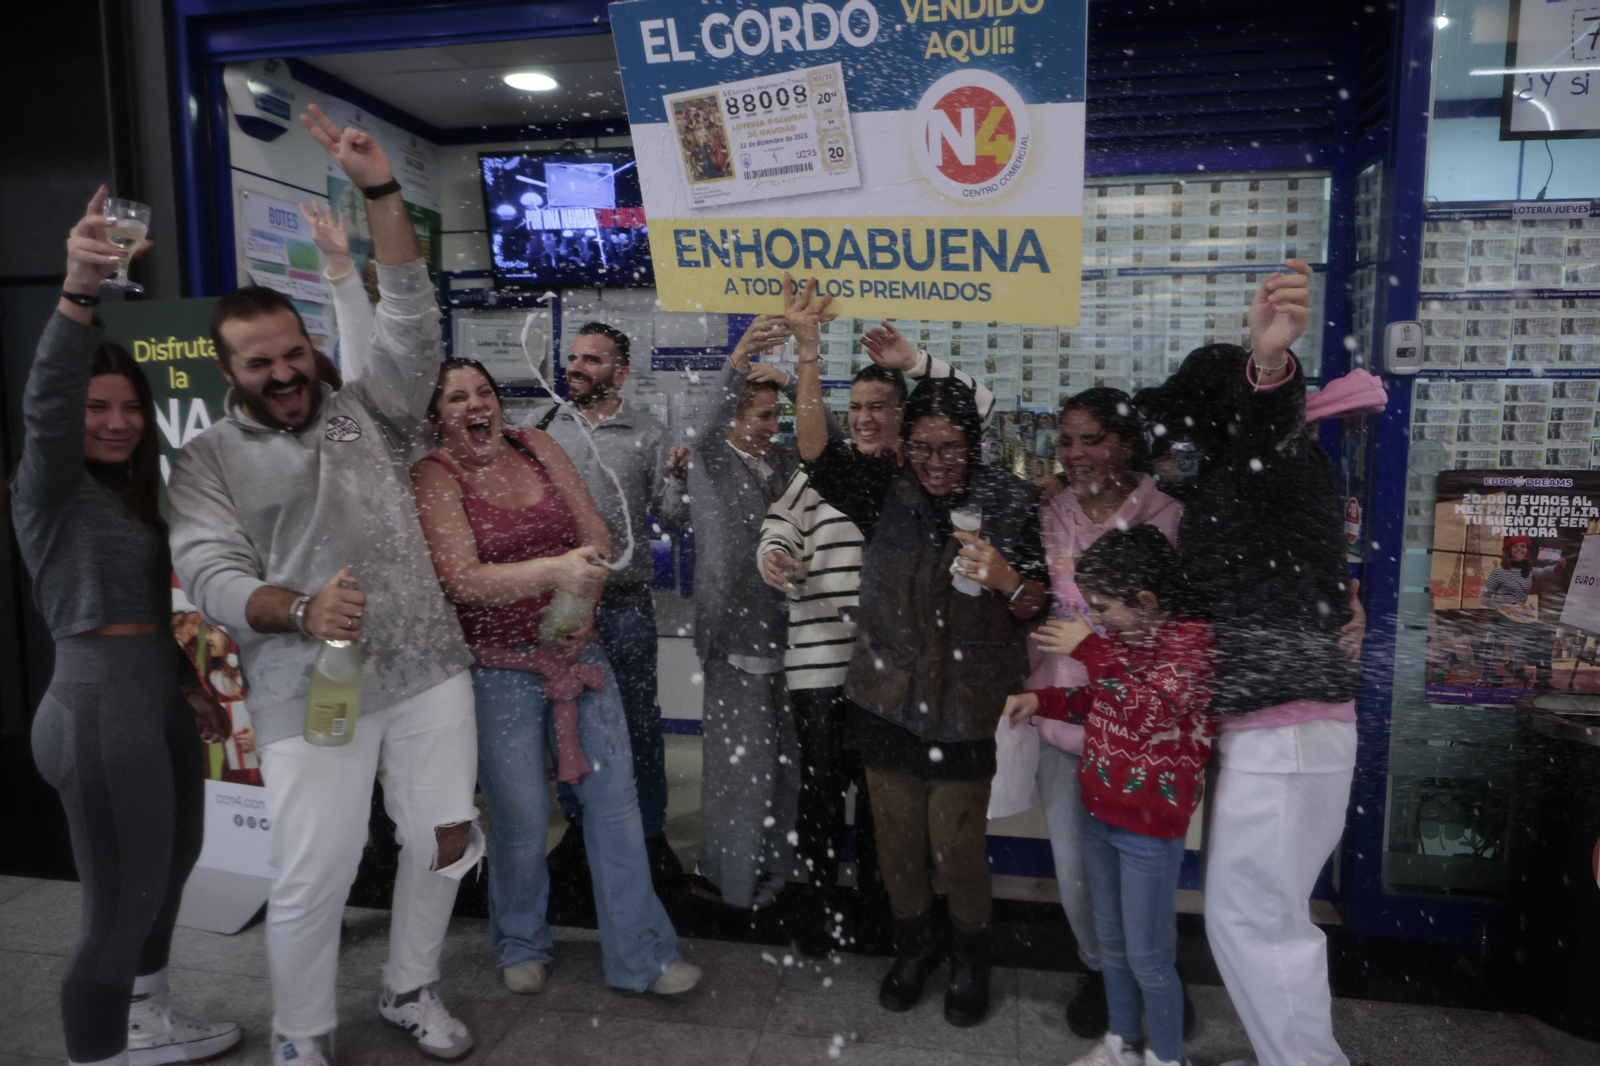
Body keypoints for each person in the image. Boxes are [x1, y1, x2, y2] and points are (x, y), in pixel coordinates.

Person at [169, 107, 482, 1066]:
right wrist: (299, 610)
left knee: (443, 841)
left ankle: (409, 989)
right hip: (320, 685)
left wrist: (383, 191)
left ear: (310, 345)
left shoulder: (369, 413)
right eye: (259, 363)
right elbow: (212, 577)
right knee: (316, 870)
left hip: (427, 665)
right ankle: (303, 1036)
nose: (283, 373)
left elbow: (411, 317)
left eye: (293, 353)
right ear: (228, 369)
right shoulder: (208, 461)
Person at [11, 189, 242, 1066]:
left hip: (152, 697)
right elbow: (48, 394)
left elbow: (155, 610)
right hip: (97, 709)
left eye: (129, 409)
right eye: (95, 408)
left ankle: (143, 1022)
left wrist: (191, 689)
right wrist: (80, 289)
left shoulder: (136, 496)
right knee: (117, 903)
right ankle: (98, 1055)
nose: (114, 421)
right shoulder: (51, 492)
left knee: (170, 868)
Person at [792, 276, 1050, 1027]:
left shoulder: (1008, 499)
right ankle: (916, 946)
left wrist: (1005, 577)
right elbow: (814, 446)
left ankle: (972, 957)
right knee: (897, 847)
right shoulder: (882, 489)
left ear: (976, 445)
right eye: (925, 448)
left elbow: (1038, 603)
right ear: (904, 445)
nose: (939, 463)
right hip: (885, 699)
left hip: (968, 705)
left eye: (954, 448)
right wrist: (810, 354)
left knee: (957, 848)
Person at [410, 359, 699, 999]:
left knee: (616, 807)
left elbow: (594, 533)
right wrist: (556, 573)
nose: (475, 404)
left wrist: (581, 605)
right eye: (456, 397)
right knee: (519, 814)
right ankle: (520, 940)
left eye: (483, 391)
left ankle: (642, 956)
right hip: (496, 668)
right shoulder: (434, 476)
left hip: (579, 655)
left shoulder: (537, 445)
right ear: (436, 416)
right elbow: (462, 579)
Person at [1134, 260, 1362, 1066]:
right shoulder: (1248, 483)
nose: (1169, 462)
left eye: (1176, 442)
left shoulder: (1266, 461)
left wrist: (1268, 364)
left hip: (1286, 731)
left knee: (1255, 922)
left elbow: (1267, 430)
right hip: (1278, 727)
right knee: (1262, 917)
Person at [756, 321, 997, 955]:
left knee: (887, 807)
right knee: (820, 795)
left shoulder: (925, 478)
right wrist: (774, 554)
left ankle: (885, 917)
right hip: (822, 663)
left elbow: (981, 405)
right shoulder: (834, 472)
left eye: (879, 407)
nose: (865, 419)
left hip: (897, 676)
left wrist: (914, 361)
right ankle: (821, 911)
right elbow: (779, 525)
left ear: (904, 414)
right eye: (856, 408)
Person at [1005, 526, 1217, 1066]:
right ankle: (1121, 1043)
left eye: (1103, 607)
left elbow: (1143, 710)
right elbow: (1101, 700)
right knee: (1113, 945)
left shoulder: (1191, 645)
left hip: (1149, 828)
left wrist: (1091, 646)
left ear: (1145, 601)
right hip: (1099, 811)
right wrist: (1044, 698)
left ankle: (1167, 1058)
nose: (1095, 618)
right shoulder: (1121, 641)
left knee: (1149, 958)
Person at [1025, 388, 1187, 1039]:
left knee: (1143, 872)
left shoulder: (1166, 513)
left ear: (1123, 443)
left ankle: (1157, 978)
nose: (1075, 453)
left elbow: (1163, 628)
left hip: (1138, 727)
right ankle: (1101, 970)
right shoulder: (1053, 509)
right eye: (1066, 441)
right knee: (1075, 869)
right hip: (1066, 718)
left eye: (1090, 439)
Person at [528, 321, 690, 884]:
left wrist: (678, 481)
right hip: (563, 605)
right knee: (566, 721)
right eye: (573, 357)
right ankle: (577, 833)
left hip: (622, 603)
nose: (575, 367)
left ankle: (650, 836)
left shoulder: (647, 433)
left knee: (639, 723)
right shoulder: (544, 428)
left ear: (619, 372)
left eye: (591, 360)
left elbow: (671, 517)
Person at [684, 312, 812, 910]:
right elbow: (706, 419)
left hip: (788, 633)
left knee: (783, 760)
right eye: (761, 415)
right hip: (734, 634)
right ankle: (731, 883)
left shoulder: (786, 464)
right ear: (736, 415)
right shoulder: (711, 460)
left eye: (776, 415)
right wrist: (738, 360)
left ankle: (775, 871)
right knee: (742, 765)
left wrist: (788, 382)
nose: (773, 425)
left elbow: (826, 440)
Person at [1478, 535, 1565, 688]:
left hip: (1520, 616)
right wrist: (1504, 607)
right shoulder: (1498, 573)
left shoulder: (1529, 572)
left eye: (1523, 547)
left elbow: (1546, 570)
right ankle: (1514, 666)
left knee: (1546, 632)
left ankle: (1542, 680)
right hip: (1502, 617)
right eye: (1516, 546)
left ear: (1527, 552)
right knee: (1524, 633)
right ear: (1509, 551)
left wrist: (1557, 567)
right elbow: (1483, 598)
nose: (1520, 549)